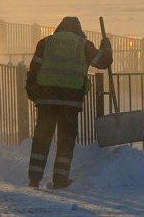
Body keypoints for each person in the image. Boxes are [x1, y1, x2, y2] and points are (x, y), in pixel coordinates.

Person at [26, 16, 113, 188]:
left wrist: (32, 92)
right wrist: (106, 46)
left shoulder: (45, 43)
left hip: (46, 98)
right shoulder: (83, 45)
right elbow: (103, 61)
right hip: (70, 101)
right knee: (66, 140)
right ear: (78, 30)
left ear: (59, 28)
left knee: (42, 138)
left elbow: (34, 70)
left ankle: (34, 178)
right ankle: (60, 179)